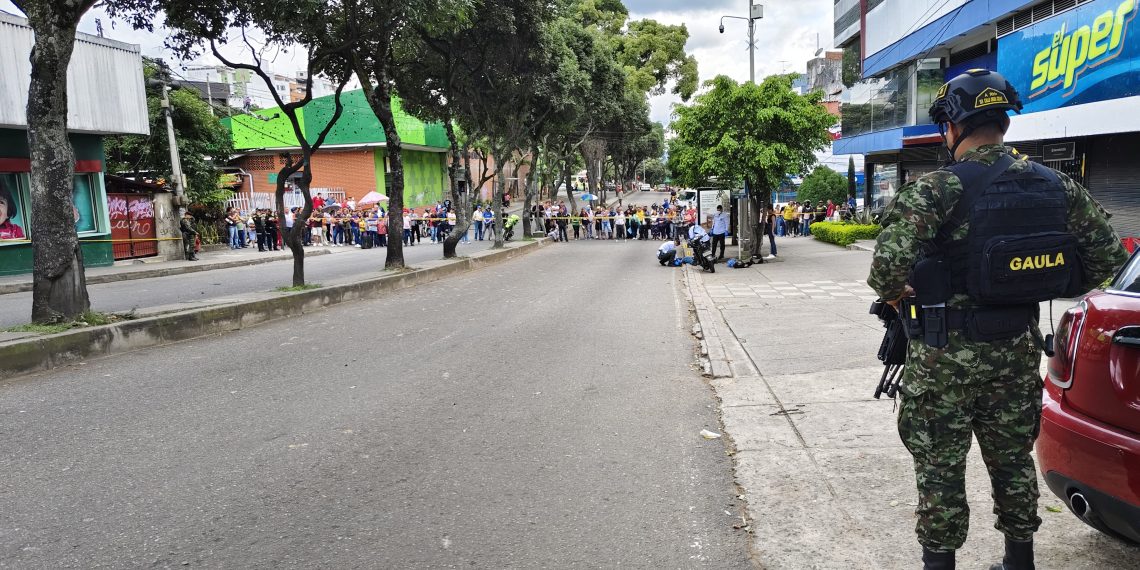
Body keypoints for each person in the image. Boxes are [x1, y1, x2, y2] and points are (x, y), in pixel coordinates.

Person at [868, 69, 1129, 570]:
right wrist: (1040, 279)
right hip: (1015, 351)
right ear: (1003, 122)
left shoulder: (936, 189)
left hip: (942, 360)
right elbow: (1107, 261)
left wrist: (903, 295)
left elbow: (885, 273)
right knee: (1012, 462)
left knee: (940, 469)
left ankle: (939, 563)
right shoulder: (1058, 185)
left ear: (951, 126)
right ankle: (1018, 560)